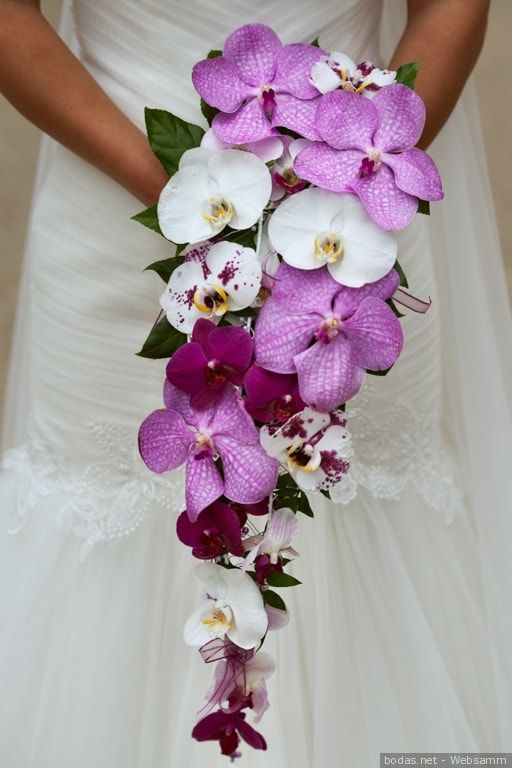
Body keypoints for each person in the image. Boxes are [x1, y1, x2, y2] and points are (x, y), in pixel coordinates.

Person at [1, 1, 511, 766]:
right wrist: (187, 196)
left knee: (355, 527)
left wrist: (343, 194)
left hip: (345, 236)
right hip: (115, 196)